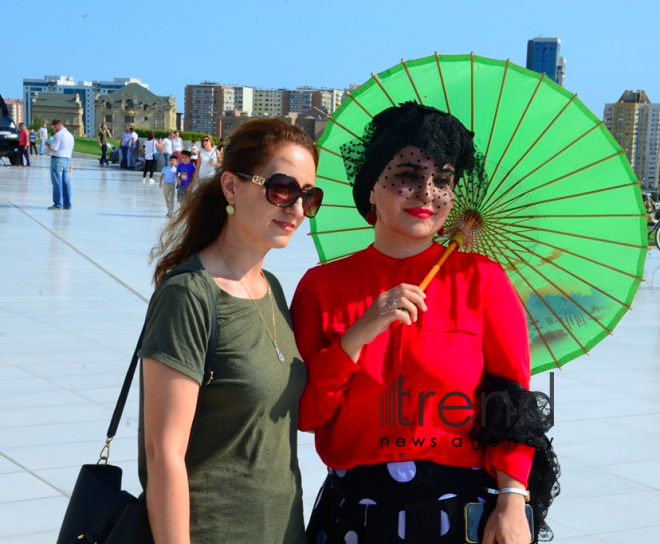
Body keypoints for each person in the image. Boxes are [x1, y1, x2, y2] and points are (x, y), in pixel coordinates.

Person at [291, 103, 558, 544]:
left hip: (458, 512)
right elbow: (305, 414)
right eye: (408, 176)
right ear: (371, 188)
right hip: (355, 515)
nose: (428, 192)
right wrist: (357, 335)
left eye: (443, 180)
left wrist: (512, 500)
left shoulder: (482, 280)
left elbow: (510, 402)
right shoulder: (321, 286)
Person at [139, 118, 323, 542]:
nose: (296, 208)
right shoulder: (190, 296)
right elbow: (163, 452)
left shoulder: (272, 289)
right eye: (282, 188)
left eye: (308, 196)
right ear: (231, 187)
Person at [46, 118, 74, 210]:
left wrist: (47, 145)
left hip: (57, 159)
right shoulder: (70, 135)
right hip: (67, 159)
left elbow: (54, 149)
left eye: (53, 127)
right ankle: (67, 204)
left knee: (57, 182)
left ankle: (58, 204)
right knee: (66, 182)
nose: (53, 129)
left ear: (57, 126)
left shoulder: (58, 135)